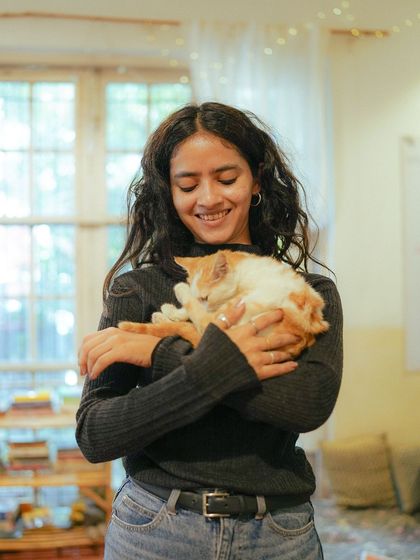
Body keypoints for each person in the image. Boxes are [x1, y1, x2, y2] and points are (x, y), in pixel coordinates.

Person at [76, 101, 343, 560]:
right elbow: (96, 435)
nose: (208, 198)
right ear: (169, 192)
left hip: (277, 535)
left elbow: (305, 406)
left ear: (256, 180)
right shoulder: (138, 289)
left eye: (226, 178)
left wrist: (159, 354)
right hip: (154, 530)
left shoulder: (305, 294)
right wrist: (214, 369)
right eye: (187, 184)